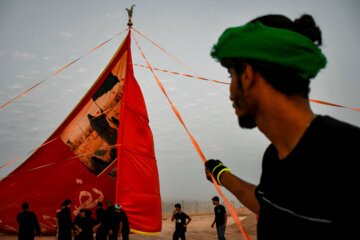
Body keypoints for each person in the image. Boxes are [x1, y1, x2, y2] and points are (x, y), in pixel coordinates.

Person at [205, 14, 359, 239]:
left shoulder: (349, 153)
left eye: (231, 75)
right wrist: (220, 174)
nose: (230, 93)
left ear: (247, 75)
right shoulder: (273, 158)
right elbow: (266, 203)